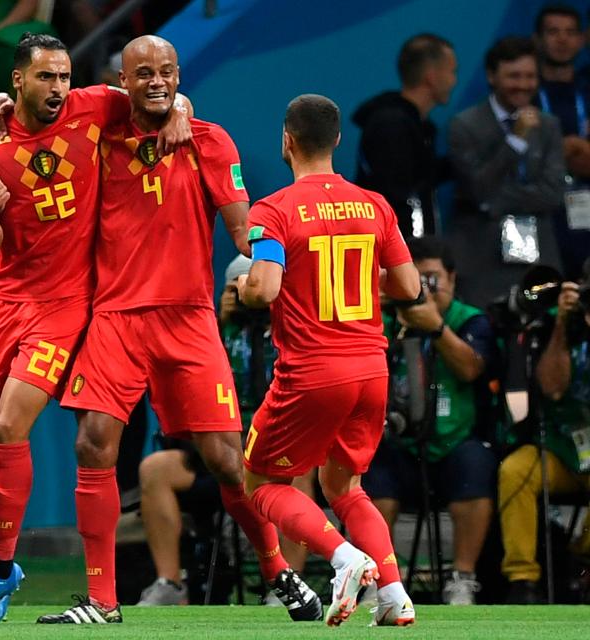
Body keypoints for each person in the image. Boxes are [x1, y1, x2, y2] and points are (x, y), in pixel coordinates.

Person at [37, 36, 321, 625]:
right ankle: (102, 601)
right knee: (93, 444)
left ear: (179, 75)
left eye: (168, 72)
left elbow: (245, 233)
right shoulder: (99, 127)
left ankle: (278, 572)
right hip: (115, 317)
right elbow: (48, 99)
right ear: (123, 80)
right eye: (144, 73)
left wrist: (286, 262)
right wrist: (0, 99)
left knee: (224, 459)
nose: (158, 82)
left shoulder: (210, 142)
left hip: (189, 319)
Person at [0, 33, 190, 625]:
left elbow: (158, 94)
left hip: (66, 302)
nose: (58, 88)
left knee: (9, 424)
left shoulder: (93, 105)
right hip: (3, 298)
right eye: (46, 78)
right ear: (18, 81)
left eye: (64, 76)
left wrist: (179, 109)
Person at [237, 94, 422, 626]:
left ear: (287, 141)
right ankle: (393, 595)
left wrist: (250, 288)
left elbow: (264, 289)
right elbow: (408, 286)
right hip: (371, 369)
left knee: (261, 485)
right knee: (344, 486)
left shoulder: (272, 211)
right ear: (339, 140)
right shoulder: (374, 204)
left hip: (314, 371)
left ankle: (344, 559)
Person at [136, 254, 316, 607]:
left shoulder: (294, 328)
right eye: (237, 286)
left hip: (278, 447)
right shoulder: (213, 334)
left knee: (301, 474)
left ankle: (286, 583)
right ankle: (170, 585)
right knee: (154, 470)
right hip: (223, 448)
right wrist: (216, 326)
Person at [362, 235, 498, 605]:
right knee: (372, 465)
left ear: (452, 278)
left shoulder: (471, 320)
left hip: (454, 445)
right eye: (414, 279)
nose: (423, 288)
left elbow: (472, 369)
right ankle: (376, 578)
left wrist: (436, 328)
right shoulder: (386, 316)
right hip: (400, 443)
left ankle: (463, 579)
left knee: (476, 461)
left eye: (432, 279)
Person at [447, 36, 566, 309]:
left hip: (540, 258)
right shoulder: (464, 125)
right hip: (481, 260)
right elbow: (478, 191)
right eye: (514, 76)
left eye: (530, 76)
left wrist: (495, 201)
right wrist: (515, 141)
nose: (523, 85)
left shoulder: (549, 126)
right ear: (492, 76)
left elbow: (553, 194)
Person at [499, 270, 590, 603]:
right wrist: (564, 326)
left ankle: (581, 560)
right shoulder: (555, 323)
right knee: (515, 470)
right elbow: (551, 388)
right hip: (563, 448)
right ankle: (522, 580)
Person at [353, 33, 456, 238]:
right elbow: (395, 195)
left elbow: (420, 177)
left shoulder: (417, 125)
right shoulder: (390, 125)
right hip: (398, 257)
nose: (454, 80)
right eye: (452, 71)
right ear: (432, 76)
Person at [532, 3, 590, 281]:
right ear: (537, 39)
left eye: (570, 32)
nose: (562, 39)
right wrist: (561, 150)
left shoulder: (586, 90)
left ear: (582, 39)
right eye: (553, 32)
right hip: (542, 218)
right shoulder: (523, 92)